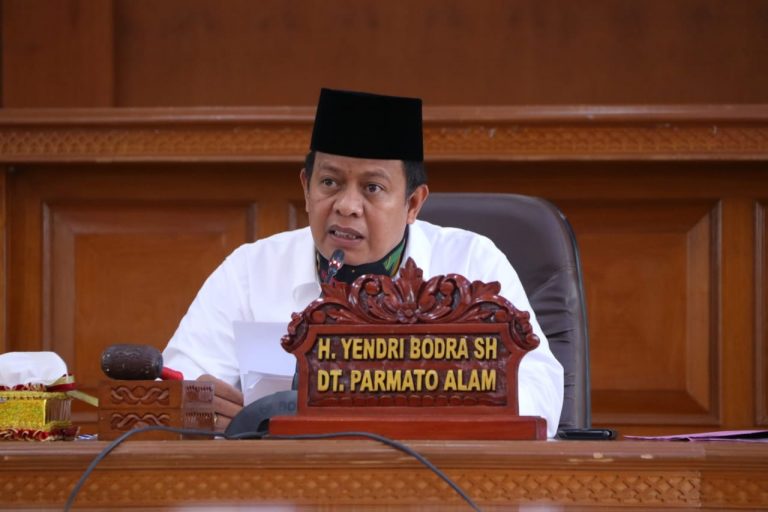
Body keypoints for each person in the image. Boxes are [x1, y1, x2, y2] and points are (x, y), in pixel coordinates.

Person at [163, 88, 564, 437]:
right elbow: (177, 387)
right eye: (329, 183)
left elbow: (539, 389)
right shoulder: (251, 270)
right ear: (305, 189)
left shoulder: (472, 263)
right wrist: (197, 407)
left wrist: (438, 403)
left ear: (413, 203)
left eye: (372, 188)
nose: (347, 206)